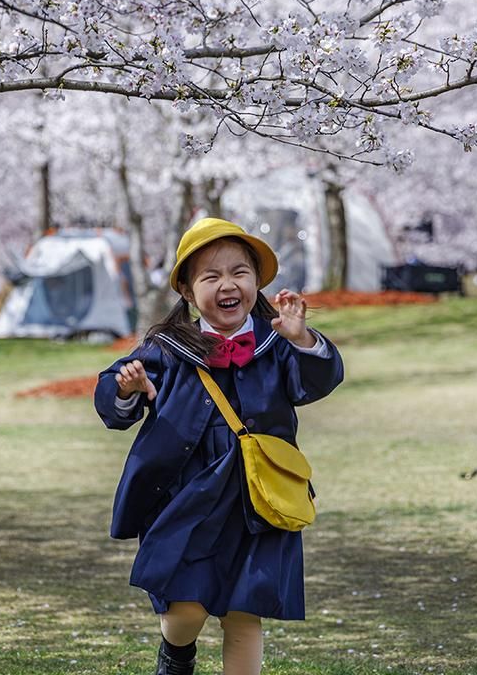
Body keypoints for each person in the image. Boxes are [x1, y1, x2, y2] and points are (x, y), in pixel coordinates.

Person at [94, 218, 344, 675]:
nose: (227, 285)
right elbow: (111, 392)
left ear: (256, 281)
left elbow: (319, 380)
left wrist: (303, 340)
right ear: (188, 292)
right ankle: (176, 652)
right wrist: (128, 388)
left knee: (244, 613)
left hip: (260, 497)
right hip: (188, 498)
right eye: (210, 276)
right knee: (185, 609)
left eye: (239, 272)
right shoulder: (168, 348)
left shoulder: (277, 343)